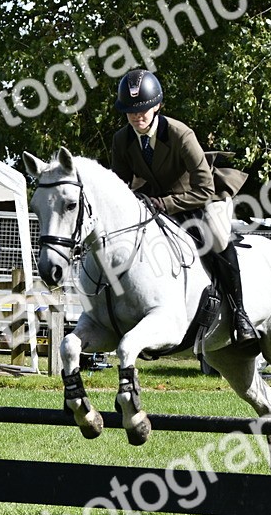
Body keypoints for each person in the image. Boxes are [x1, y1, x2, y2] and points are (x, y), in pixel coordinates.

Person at [109, 69, 257, 353]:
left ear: (157, 106)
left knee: (216, 238)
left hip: (199, 198)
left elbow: (204, 188)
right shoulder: (121, 139)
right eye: (130, 111)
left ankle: (240, 314)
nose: (137, 117)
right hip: (154, 201)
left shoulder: (180, 133)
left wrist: (165, 204)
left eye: (142, 110)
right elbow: (121, 186)